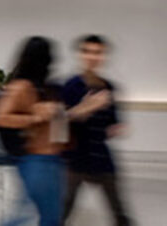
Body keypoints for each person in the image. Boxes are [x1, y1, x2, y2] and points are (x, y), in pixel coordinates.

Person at [0, 36, 108, 226]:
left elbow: (58, 119)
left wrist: (84, 108)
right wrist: (34, 118)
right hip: (36, 161)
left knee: (46, 216)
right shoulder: (21, 87)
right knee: (35, 217)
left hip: (54, 161)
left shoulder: (47, 88)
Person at [62, 35, 132, 225]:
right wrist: (85, 109)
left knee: (119, 211)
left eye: (98, 52)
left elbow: (112, 122)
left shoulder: (108, 87)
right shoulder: (71, 86)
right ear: (80, 55)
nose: (92, 57)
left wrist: (117, 128)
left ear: (104, 56)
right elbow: (60, 122)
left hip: (101, 158)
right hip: (75, 159)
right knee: (63, 209)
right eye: (87, 52)